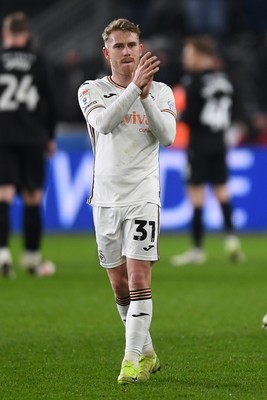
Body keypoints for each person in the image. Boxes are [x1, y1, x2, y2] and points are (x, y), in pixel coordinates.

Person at [78, 18, 176, 384]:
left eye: (131, 45)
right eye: (118, 46)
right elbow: (104, 124)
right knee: (119, 286)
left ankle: (131, 362)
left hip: (143, 196)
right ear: (107, 53)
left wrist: (146, 95)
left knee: (138, 277)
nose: (126, 52)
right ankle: (147, 352)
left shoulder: (162, 92)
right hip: (104, 200)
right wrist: (135, 88)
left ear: (140, 47)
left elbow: (166, 136)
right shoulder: (90, 90)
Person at [170, 35, 245, 267]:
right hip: (220, 142)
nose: (185, 58)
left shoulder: (193, 81)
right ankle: (232, 240)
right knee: (222, 192)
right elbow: (237, 111)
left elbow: (191, 116)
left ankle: (197, 248)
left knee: (196, 195)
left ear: (203, 57)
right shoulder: (225, 80)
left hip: (199, 144)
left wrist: (173, 115)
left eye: (189, 54)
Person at [0, 12, 58, 277]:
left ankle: (2, 255)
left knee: (4, 195)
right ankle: (33, 259)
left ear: (6, 34)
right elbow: (52, 101)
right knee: (33, 196)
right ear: (27, 34)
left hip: (3, 136)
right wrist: (50, 136)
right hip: (33, 136)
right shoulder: (38, 60)